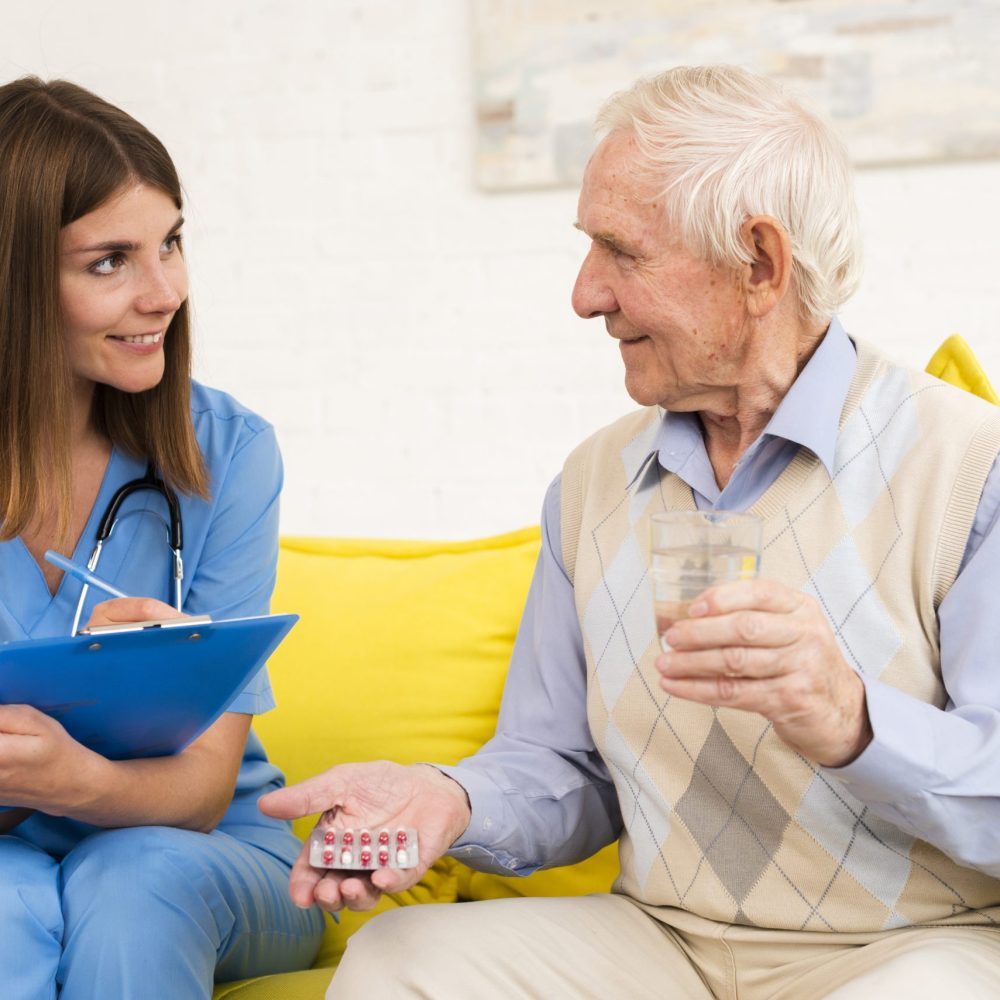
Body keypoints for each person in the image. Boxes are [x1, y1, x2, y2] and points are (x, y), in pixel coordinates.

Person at [260, 65, 1000, 997]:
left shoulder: (970, 466)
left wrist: (854, 720)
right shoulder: (594, 485)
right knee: (398, 962)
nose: (584, 294)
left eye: (621, 250)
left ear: (760, 265)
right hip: (664, 943)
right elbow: (561, 765)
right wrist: (446, 799)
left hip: (914, 947)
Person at [0, 77, 325, 999]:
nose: (165, 292)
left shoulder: (228, 452)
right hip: (10, 857)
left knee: (132, 880)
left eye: (171, 243)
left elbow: (204, 788)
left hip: (205, 848)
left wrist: (76, 780)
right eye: (111, 261)